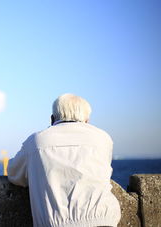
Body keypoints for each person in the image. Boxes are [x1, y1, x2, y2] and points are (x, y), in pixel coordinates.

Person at [7, 93, 121, 227]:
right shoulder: (103, 138)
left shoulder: (36, 141)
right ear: (87, 120)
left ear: (52, 118)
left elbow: (14, 175)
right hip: (104, 220)